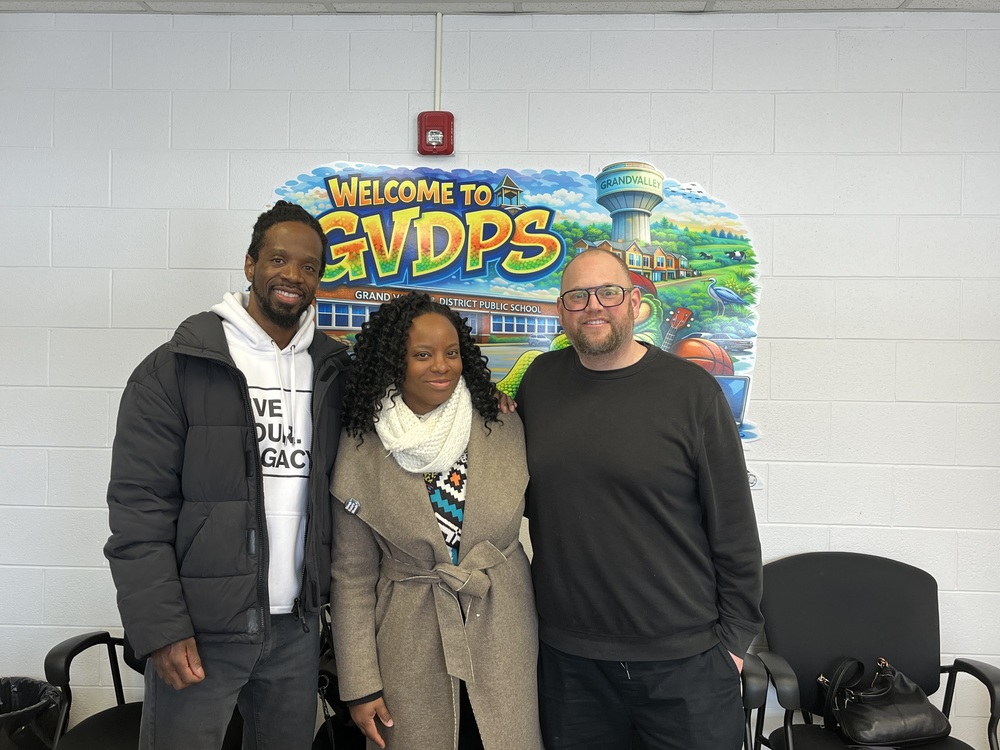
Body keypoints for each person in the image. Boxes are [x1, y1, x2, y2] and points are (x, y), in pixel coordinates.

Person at [104, 200, 351, 749]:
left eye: (308, 266)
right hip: (201, 628)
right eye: (279, 260)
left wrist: (491, 401)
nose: (293, 275)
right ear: (250, 265)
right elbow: (138, 507)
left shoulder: (334, 374)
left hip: (296, 630)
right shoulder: (176, 366)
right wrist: (162, 628)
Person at [515, 248, 763, 750]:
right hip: (571, 662)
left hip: (685, 662)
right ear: (561, 310)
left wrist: (734, 643)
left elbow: (733, 525)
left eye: (608, 292)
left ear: (632, 302)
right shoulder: (539, 383)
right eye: (577, 296)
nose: (593, 307)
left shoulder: (691, 392)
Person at [329, 292, 543, 750]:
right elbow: (351, 576)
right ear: (394, 361)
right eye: (422, 355)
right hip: (408, 640)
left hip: (503, 627)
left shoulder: (501, 424)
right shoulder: (362, 444)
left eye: (451, 353)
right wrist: (361, 685)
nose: (441, 366)